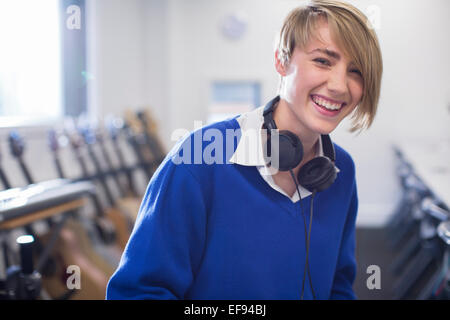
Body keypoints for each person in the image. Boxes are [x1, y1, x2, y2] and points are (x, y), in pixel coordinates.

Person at [106, 0, 383, 300]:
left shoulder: (340, 170)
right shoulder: (200, 157)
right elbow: (137, 293)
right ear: (281, 61)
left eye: (355, 71)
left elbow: (338, 287)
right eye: (323, 61)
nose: (340, 86)